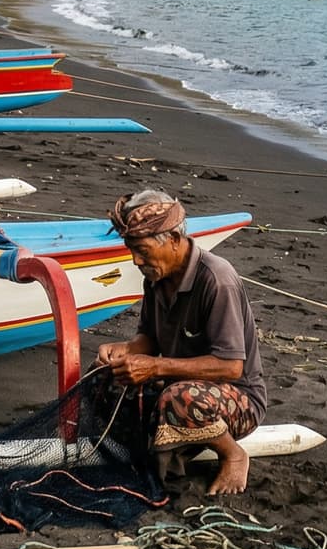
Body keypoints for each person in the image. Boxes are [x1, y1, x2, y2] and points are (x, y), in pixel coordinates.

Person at [96, 189, 267, 495]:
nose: (136, 260)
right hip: (175, 381)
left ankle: (233, 453)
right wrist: (124, 352)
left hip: (237, 398)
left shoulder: (217, 279)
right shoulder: (156, 277)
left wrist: (155, 367)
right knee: (106, 377)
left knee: (179, 399)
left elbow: (231, 367)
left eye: (142, 250)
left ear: (174, 239)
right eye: (131, 250)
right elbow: (148, 339)